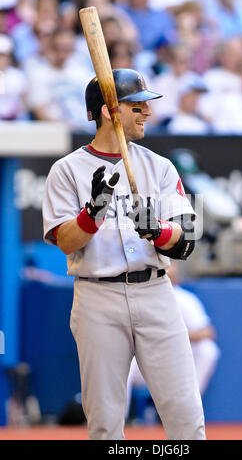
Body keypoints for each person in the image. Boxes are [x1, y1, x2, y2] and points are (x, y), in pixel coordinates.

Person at [42, 68, 205, 440]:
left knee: (185, 413)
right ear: (108, 111)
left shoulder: (160, 166)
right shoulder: (65, 170)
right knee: (105, 420)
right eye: (137, 106)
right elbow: (66, 241)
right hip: (97, 294)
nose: (147, 112)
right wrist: (92, 212)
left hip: (156, 292)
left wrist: (158, 230)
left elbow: (187, 240)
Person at [126, 260, 220, 419]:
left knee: (208, 350)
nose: (169, 271)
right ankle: (119, 420)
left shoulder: (185, 298)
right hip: (144, 360)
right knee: (121, 356)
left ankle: (186, 413)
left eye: (172, 267)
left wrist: (174, 335)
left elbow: (207, 332)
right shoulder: (139, 295)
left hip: (175, 360)